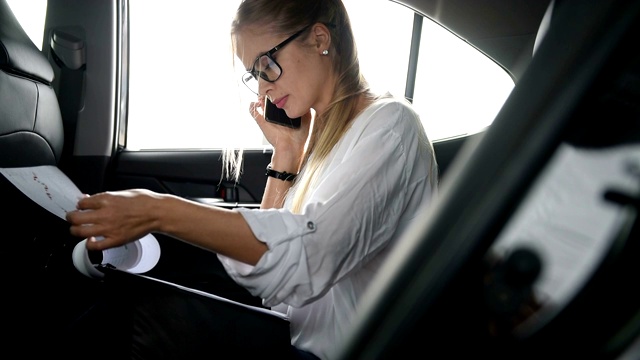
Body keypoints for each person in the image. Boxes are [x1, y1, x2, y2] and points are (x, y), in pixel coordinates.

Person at [66, 0, 438, 359]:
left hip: (331, 352)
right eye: (254, 75)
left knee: (144, 316)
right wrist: (286, 156)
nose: (263, 90)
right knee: (136, 298)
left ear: (320, 39)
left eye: (267, 67)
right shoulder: (323, 143)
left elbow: (307, 259)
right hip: (291, 339)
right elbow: (272, 293)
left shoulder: (390, 126)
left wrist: (158, 210)